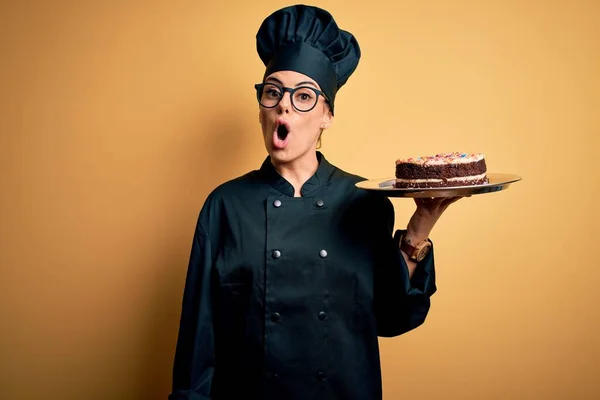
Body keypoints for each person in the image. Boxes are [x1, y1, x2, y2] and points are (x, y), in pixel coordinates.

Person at [168, 4, 462, 400]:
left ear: (327, 115)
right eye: (272, 92)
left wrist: (420, 226)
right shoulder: (225, 206)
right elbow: (198, 337)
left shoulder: (367, 202)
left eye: (303, 96)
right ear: (262, 110)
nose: (284, 106)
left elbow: (393, 319)